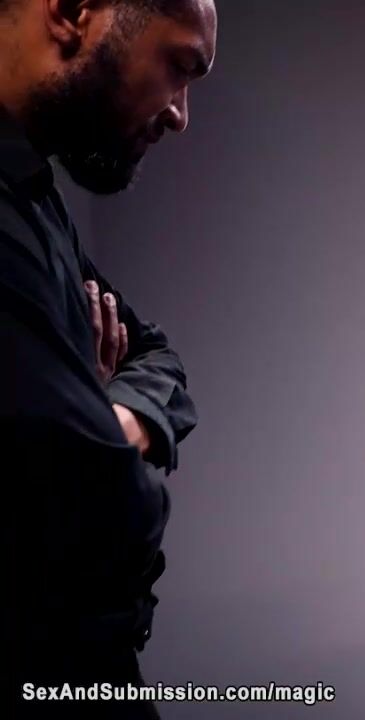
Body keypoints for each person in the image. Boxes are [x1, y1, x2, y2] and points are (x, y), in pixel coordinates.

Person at [0, 0, 214, 716]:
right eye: (179, 65)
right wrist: (109, 454)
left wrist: (116, 419)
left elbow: (155, 354)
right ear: (72, 12)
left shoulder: (36, 199)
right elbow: (109, 514)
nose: (180, 114)